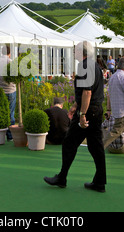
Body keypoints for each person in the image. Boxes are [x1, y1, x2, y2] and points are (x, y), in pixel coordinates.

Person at [44, 41, 106, 192]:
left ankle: (62, 177)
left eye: (75, 51)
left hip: (88, 112)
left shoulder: (84, 66)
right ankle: (99, 182)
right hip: (96, 110)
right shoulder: (95, 65)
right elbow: (89, 91)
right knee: (95, 147)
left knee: (69, 143)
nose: (73, 53)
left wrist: (82, 114)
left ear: (81, 52)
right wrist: (76, 106)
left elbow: (87, 92)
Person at [0, 45, 17, 140]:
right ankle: (10, 136)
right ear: (9, 53)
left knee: (1, 112)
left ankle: (1, 134)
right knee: (10, 113)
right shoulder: (11, 63)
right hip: (10, 90)